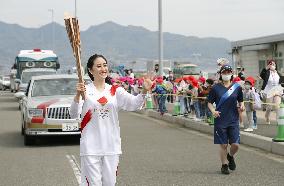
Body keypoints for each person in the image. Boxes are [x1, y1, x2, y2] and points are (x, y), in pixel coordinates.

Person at [70, 54, 152, 186]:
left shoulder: (115, 90)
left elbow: (134, 103)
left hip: (111, 146)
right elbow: (73, 113)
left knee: (110, 184)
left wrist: (144, 91)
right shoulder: (85, 91)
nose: (103, 68)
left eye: (105, 65)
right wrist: (77, 95)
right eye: (98, 66)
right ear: (90, 71)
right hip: (91, 147)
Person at [208, 64, 245, 175]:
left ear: (231, 74)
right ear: (221, 74)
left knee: (236, 145)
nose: (226, 74)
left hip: (233, 119)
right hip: (220, 119)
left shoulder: (237, 87)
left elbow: (241, 100)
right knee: (223, 144)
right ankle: (224, 165)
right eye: (224, 72)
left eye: (228, 72)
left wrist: (242, 106)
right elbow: (209, 103)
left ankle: (230, 156)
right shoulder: (215, 88)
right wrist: (213, 111)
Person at [260, 59, 283, 124]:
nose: (272, 65)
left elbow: (281, 82)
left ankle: (279, 120)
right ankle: (267, 117)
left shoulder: (278, 73)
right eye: (271, 64)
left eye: (273, 64)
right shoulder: (267, 72)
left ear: (275, 65)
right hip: (269, 91)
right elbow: (261, 75)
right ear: (269, 65)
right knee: (269, 107)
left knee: (277, 106)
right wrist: (265, 68)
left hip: (277, 91)